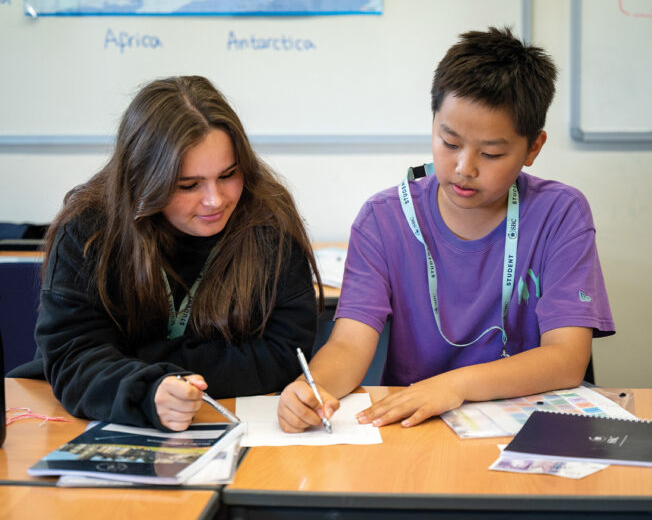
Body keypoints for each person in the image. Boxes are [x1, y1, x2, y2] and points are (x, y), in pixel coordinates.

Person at [277, 27, 615, 433]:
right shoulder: (383, 219)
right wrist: (309, 390)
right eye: (449, 142)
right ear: (434, 123)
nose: (464, 168)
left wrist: (454, 386)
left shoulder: (560, 214)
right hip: (414, 426)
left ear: (533, 148)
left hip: (521, 425)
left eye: (491, 153)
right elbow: (349, 343)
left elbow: (566, 358)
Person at [26, 76, 322, 431]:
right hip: (80, 419)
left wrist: (136, 361)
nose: (215, 200)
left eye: (228, 175)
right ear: (142, 178)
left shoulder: (268, 222)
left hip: (236, 421)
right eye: (188, 185)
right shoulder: (90, 230)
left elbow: (283, 354)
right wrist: (148, 389)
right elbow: (73, 358)